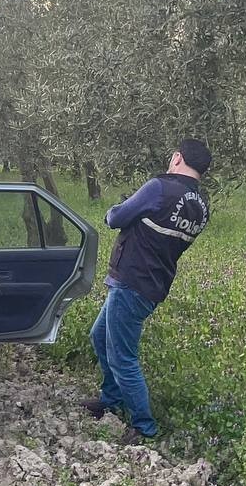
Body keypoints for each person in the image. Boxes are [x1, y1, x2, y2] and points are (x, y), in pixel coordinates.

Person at [82, 138, 212, 444]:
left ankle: (144, 426)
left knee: (123, 357)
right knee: (99, 336)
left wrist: (116, 208)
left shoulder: (159, 188)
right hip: (154, 284)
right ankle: (111, 401)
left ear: (177, 158)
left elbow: (116, 217)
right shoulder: (201, 206)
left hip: (131, 282)